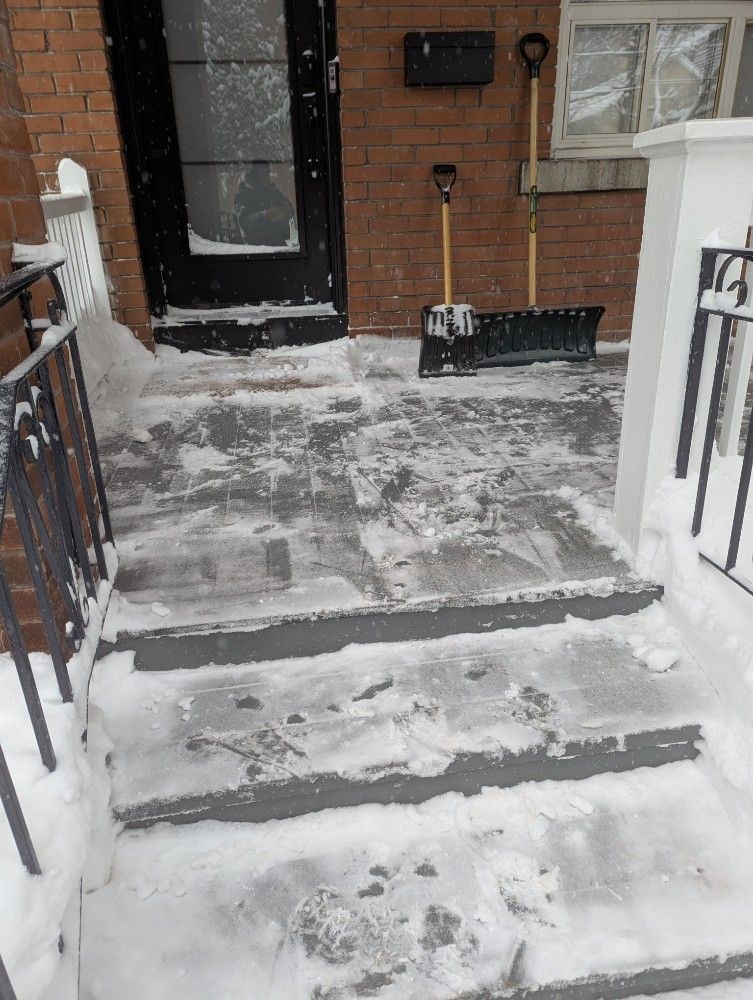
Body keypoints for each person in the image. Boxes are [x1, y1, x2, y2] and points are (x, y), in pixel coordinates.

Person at [235, 163, 294, 247]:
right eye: (264, 172)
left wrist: (286, 208)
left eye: (268, 171)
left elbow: (286, 206)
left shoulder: (269, 188)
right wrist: (268, 215)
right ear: (255, 173)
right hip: (255, 246)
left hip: (275, 241)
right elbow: (245, 222)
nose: (267, 175)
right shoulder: (245, 192)